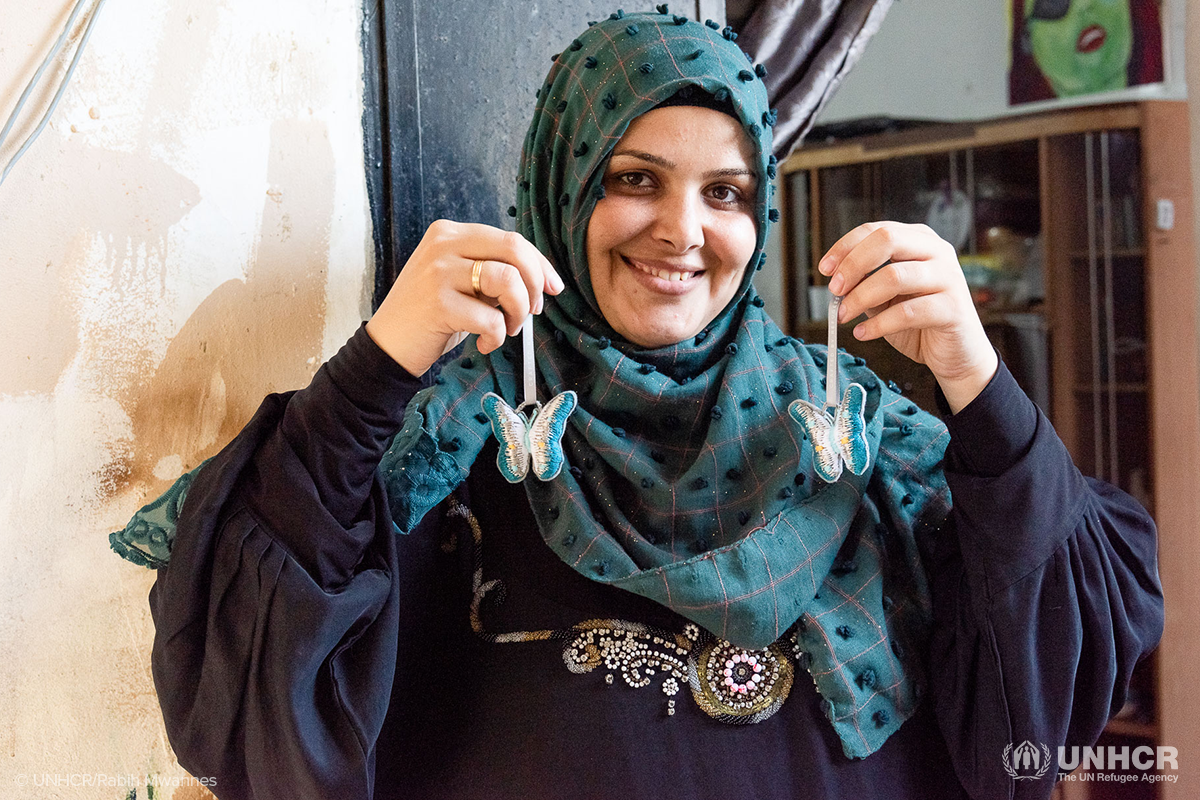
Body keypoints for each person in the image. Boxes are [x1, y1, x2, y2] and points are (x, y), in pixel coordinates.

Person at [132, 8, 1163, 800]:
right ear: (563, 185)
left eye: (727, 192)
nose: (683, 229)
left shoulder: (864, 436)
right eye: (635, 177)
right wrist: (379, 366)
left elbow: (1044, 707)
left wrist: (979, 382)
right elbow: (252, 691)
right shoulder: (461, 439)